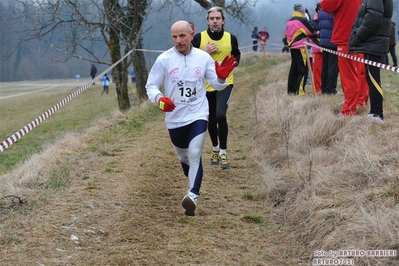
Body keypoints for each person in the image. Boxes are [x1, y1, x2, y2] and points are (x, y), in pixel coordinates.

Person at [145, 20, 237, 216]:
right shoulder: (164, 59)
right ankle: (192, 182)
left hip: (198, 113)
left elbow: (217, 85)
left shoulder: (203, 58)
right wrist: (160, 99)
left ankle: (192, 196)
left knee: (195, 153)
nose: (179, 40)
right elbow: (150, 85)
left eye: (182, 36)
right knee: (184, 157)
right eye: (175, 37)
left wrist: (221, 78)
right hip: (175, 118)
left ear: (190, 34)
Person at [192, 6, 241, 169]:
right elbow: (189, 59)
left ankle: (224, 152)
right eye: (212, 18)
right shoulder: (199, 38)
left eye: (218, 18)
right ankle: (215, 148)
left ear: (223, 20)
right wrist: (204, 52)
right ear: (207, 21)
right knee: (210, 119)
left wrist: (232, 64)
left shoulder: (230, 38)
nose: (215, 21)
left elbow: (237, 54)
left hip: (225, 83)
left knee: (221, 115)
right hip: (205, 85)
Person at [321, 0, 368, 116]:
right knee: (359, 73)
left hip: (345, 36)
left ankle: (348, 110)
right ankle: (359, 102)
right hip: (359, 36)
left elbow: (326, 6)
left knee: (348, 76)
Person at [349, 0, 393, 122]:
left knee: (373, 78)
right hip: (372, 41)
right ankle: (374, 111)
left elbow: (373, 18)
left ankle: (377, 114)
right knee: (371, 77)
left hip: (373, 41)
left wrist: (358, 36)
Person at [286, 3, 316, 95]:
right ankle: (300, 92)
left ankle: (291, 91)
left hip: (292, 47)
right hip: (301, 47)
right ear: (303, 11)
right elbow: (311, 31)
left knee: (294, 69)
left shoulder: (289, 21)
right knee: (302, 70)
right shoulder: (302, 20)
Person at [318, 6, 339, 94]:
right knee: (333, 67)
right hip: (332, 42)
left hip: (323, 42)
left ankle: (324, 87)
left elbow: (319, 26)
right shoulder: (333, 12)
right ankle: (331, 89)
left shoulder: (321, 12)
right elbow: (337, 24)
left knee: (325, 66)